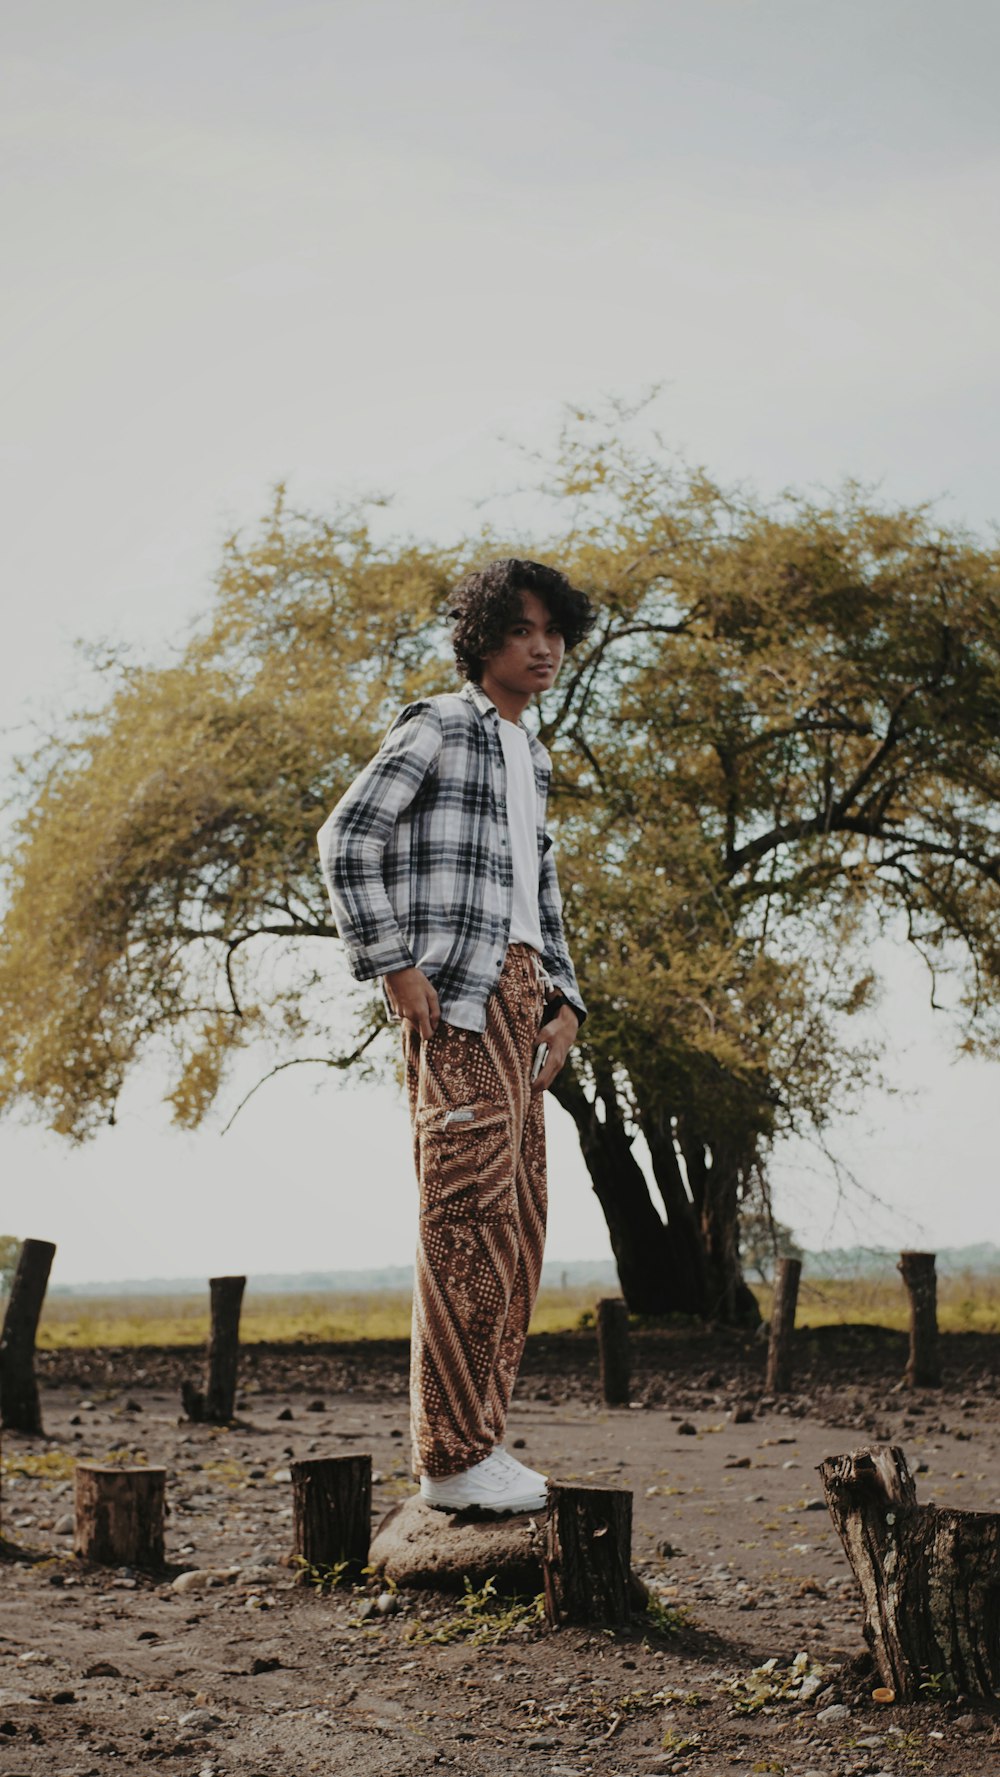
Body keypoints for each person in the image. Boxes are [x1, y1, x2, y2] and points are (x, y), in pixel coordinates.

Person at [317, 558, 595, 1514]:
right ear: (484, 637)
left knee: (518, 1228)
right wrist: (392, 964)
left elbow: (540, 892)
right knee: (463, 1221)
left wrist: (564, 1003)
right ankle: (448, 1458)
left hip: (522, 1000)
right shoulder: (439, 724)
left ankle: (481, 1440)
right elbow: (346, 840)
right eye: (525, 630)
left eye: (556, 632)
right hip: (458, 998)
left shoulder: (533, 753)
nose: (544, 647)